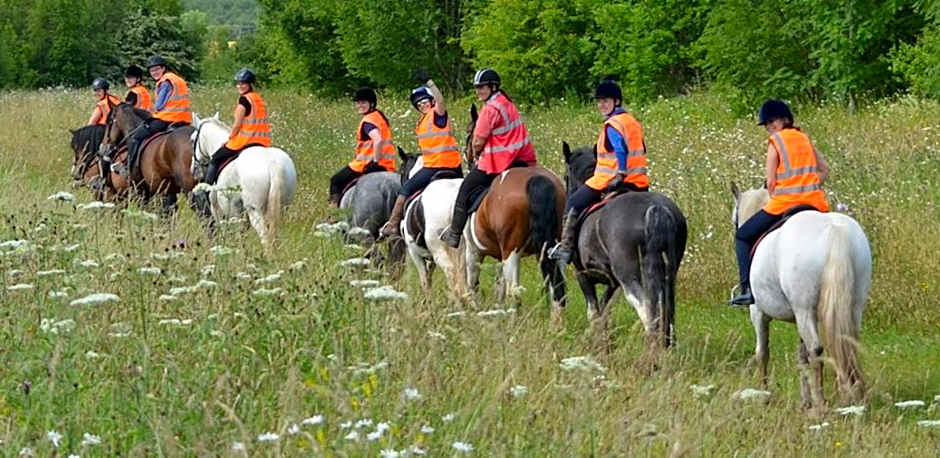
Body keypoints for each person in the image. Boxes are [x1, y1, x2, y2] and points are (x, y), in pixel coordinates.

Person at [730, 99, 830, 306]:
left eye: (772, 122)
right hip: (815, 203)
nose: (770, 127)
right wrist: (807, 185)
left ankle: (747, 289)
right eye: (767, 124)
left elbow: (771, 183)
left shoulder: (775, 143)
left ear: (785, 119)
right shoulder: (804, 138)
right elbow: (824, 170)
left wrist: (784, 190)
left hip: (784, 204)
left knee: (742, 236)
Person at [548, 80, 648, 264]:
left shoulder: (613, 125)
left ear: (616, 102)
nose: (601, 105)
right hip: (640, 182)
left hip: (608, 179)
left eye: (606, 101)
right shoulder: (632, 122)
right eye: (599, 101)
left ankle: (566, 248)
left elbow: (620, 149)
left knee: (573, 201)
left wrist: (620, 173)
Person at [439, 68, 536, 248]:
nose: (478, 91)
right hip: (523, 159)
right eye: (477, 88)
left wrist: (476, 153)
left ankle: (454, 233)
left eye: (482, 87)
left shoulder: (490, 109)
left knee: (466, 188)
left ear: (493, 87)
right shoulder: (507, 103)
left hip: (500, 161)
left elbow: (477, 141)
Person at [379, 79, 462, 237]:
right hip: (453, 165)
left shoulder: (437, 114)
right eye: (419, 104)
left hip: (436, 166)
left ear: (431, 102)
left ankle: (393, 224)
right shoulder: (422, 122)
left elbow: (441, 100)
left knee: (406, 188)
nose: (422, 105)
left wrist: (430, 84)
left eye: (425, 101)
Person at [122, 55, 192, 178]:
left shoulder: (165, 81)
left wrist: (150, 113)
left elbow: (159, 105)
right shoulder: (178, 79)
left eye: (156, 69)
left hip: (167, 118)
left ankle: (129, 167)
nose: (154, 72)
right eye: (151, 70)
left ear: (163, 68)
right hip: (184, 119)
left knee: (136, 137)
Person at [328, 87, 397, 207]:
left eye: (363, 102)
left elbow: (378, 140)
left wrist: (375, 162)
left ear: (371, 103)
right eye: (358, 102)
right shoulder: (380, 117)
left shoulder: (368, 121)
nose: (360, 105)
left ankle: (333, 215)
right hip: (389, 165)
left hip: (365, 164)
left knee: (336, 180)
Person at [203, 68, 271, 186]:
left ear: (250, 84)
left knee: (215, 159)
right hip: (262, 141)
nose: (240, 86)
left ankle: (205, 190)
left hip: (245, 141)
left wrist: (230, 137)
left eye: (243, 83)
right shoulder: (258, 99)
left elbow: (237, 125)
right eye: (238, 83)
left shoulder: (244, 100)